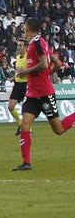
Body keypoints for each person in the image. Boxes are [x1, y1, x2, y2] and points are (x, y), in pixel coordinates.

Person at [14, 18, 75, 171]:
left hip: (45, 93)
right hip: (32, 93)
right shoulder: (39, 43)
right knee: (25, 125)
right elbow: (56, 63)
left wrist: (26, 71)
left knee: (59, 130)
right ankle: (26, 163)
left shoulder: (37, 43)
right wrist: (47, 71)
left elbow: (44, 64)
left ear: (27, 28)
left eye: (24, 27)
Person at [8, 39, 28, 134]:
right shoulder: (17, 57)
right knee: (11, 106)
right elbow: (18, 72)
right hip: (17, 84)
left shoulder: (29, 57)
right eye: (18, 45)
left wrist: (24, 73)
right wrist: (13, 77)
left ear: (25, 47)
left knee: (27, 110)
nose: (18, 47)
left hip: (26, 85)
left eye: (20, 45)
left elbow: (32, 71)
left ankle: (28, 129)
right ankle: (20, 124)